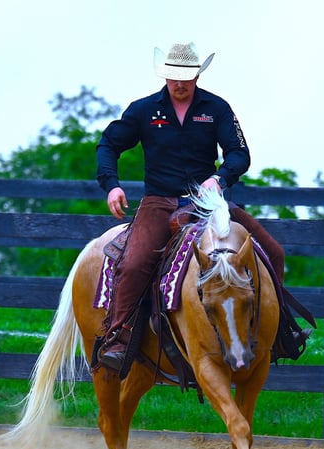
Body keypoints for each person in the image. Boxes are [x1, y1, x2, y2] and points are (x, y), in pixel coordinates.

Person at [95, 41, 304, 372]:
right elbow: (108, 145)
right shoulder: (144, 110)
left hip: (208, 203)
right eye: (174, 77)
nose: (180, 84)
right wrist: (112, 185)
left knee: (273, 251)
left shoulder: (216, 108)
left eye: (187, 78)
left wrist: (220, 179)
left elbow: (239, 153)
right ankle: (119, 336)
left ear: (196, 76)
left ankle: (275, 331)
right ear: (165, 76)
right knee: (134, 263)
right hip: (158, 203)